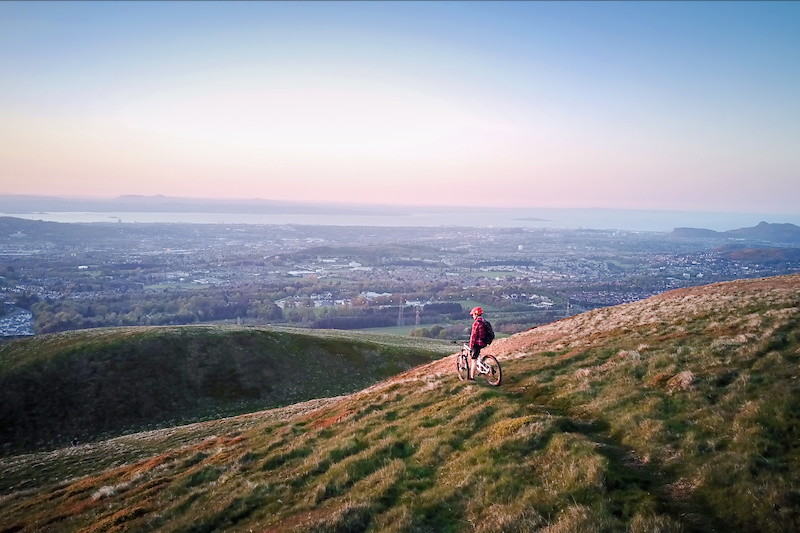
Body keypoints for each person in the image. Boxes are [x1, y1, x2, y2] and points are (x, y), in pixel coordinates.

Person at [468, 306, 488, 380]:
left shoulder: (476, 323)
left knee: (474, 360)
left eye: (473, 314)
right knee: (478, 354)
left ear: (476, 314)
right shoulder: (484, 321)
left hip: (478, 343)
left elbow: (473, 336)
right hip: (484, 342)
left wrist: (471, 346)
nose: (472, 316)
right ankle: (480, 367)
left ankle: (472, 378)